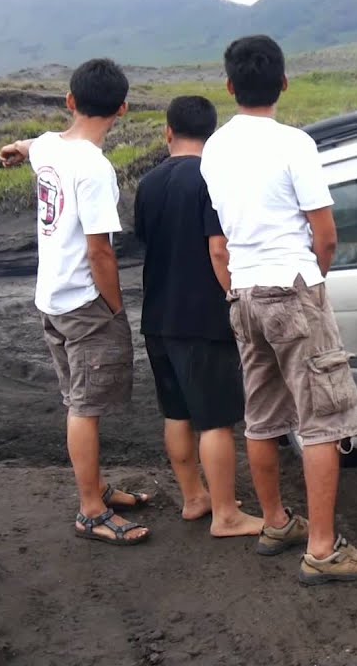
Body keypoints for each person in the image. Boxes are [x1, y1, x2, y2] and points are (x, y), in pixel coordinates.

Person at [199, 34, 357, 585]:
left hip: (245, 291)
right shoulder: (294, 144)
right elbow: (323, 232)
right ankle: (324, 549)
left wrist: (238, 284)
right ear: (283, 82)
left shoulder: (214, 149)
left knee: (262, 416)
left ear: (230, 86)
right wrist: (316, 280)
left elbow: (219, 241)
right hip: (293, 286)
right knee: (323, 418)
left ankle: (277, 523)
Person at [0, 58, 152, 545]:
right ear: (122, 109)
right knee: (84, 407)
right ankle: (90, 510)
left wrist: (13, 148)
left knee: (77, 398)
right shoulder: (95, 169)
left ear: (70, 101)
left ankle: (98, 487)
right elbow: (100, 250)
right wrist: (114, 307)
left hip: (51, 297)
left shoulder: (49, 148)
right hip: (85, 302)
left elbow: (31, 143)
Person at [133, 95, 263, 538]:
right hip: (202, 317)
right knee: (215, 418)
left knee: (177, 412)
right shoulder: (212, 176)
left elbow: (147, 241)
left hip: (157, 316)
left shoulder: (147, 184)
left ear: (168, 132)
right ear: (212, 133)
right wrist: (233, 296)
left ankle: (195, 497)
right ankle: (227, 514)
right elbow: (218, 247)